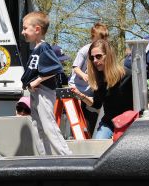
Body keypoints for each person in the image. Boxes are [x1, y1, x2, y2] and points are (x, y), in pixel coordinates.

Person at [21, 11, 72, 155]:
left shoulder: (44, 47)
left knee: (48, 125)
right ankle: (45, 157)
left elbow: (56, 68)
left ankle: (66, 155)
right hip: (35, 92)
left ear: (37, 29)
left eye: (25, 28)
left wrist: (36, 81)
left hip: (43, 90)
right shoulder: (36, 48)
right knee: (38, 127)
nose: (23, 31)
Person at [71, 39, 133, 139]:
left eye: (98, 56)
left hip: (128, 122)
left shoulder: (127, 75)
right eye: (92, 57)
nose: (95, 60)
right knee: (98, 145)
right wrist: (82, 97)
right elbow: (97, 104)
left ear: (108, 56)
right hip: (109, 122)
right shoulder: (98, 79)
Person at [68, 22, 109, 136]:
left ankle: (92, 131)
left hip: (90, 89)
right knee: (79, 116)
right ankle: (77, 134)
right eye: (100, 39)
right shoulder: (84, 50)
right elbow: (75, 67)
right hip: (77, 86)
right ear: (93, 37)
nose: (102, 42)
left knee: (92, 112)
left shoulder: (105, 51)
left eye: (104, 39)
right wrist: (84, 75)